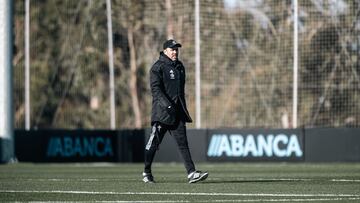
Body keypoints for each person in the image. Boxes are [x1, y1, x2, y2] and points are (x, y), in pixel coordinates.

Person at [142, 39, 208, 184]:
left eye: (176, 49)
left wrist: (180, 108)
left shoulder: (180, 66)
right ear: (165, 51)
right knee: (153, 144)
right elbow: (156, 91)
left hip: (178, 114)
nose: (175, 52)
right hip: (162, 114)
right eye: (172, 49)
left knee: (183, 144)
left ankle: (191, 173)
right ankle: (146, 172)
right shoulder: (157, 67)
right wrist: (168, 106)